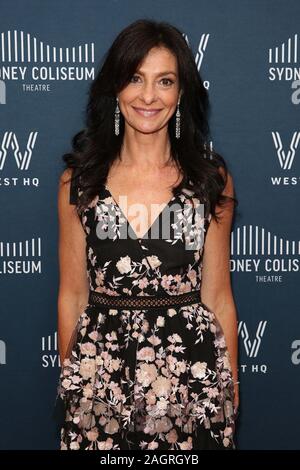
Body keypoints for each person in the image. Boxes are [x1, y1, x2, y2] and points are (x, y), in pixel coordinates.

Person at [55, 18, 239, 451]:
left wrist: (228, 394)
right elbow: (72, 297)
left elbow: (218, 298)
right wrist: (75, 390)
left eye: (165, 81)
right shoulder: (78, 183)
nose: (149, 96)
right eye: (135, 78)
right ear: (115, 88)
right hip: (100, 383)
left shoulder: (209, 181)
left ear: (181, 92)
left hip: (190, 382)